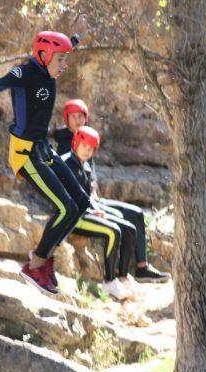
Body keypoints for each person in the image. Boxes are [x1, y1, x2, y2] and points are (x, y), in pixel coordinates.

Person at [0, 16, 89, 296]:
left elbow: (63, 47)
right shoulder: (25, 74)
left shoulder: (49, 67)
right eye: (60, 60)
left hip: (44, 150)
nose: (64, 66)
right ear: (45, 55)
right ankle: (35, 265)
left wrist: (76, 38)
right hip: (25, 156)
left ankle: (44, 258)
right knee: (65, 207)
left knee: (80, 203)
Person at [56, 99, 171, 283]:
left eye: (81, 116)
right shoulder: (65, 144)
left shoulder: (88, 137)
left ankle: (142, 267)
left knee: (136, 213)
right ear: (66, 118)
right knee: (119, 217)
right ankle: (119, 271)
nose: (77, 120)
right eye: (73, 116)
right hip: (83, 203)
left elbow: (89, 175)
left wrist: (92, 188)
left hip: (92, 197)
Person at [63, 126, 136, 299]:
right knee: (113, 231)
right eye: (84, 146)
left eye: (91, 148)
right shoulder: (67, 163)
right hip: (73, 217)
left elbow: (87, 196)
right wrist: (91, 211)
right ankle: (109, 282)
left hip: (85, 212)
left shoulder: (84, 165)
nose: (87, 151)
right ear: (76, 143)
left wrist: (96, 210)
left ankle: (122, 276)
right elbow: (70, 196)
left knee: (129, 229)